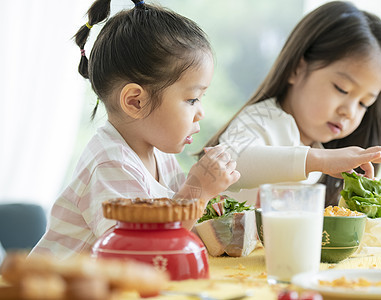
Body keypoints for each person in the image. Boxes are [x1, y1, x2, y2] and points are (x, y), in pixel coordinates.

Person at [30, 0, 239, 260]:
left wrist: (211, 192)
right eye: (191, 99)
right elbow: (141, 251)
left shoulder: (159, 154)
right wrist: (198, 189)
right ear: (135, 102)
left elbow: (181, 223)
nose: (201, 112)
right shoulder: (109, 163)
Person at [203, 1, 381, 233]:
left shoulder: (319, 148)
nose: (349, 111)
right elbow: (228, 162)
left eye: (363, 103)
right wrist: (319, 159)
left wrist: (376, 214)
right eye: (341, 89)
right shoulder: (261, 119)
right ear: (297, 69)